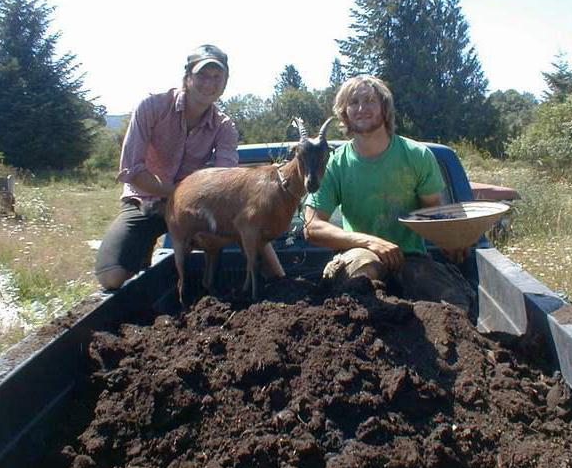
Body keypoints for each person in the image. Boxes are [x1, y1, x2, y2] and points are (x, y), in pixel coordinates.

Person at [96, 44, 284, 290]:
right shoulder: (152, 107)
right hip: (147, 203)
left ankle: (279, 281)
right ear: (187, 77)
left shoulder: (224, 127)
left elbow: (226, 183)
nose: (209, 83)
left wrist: (198, 203)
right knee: (111, 277)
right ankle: (141, 260)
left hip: (197, 210)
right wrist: (180, 193)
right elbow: (131, 171)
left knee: (248, 226)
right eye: (202, 75)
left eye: (217, 77)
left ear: (225, 82)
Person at [303, 75, 475, 315]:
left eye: (370, 101)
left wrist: (452, 239)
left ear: (385, 108)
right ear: (344, 113)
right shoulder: (335, 164)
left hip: (411, 257)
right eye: (353, 103)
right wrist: (371, 242)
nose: (361, 108)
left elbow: (436, 214)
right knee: (362, 274)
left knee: (454, 306)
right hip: (359, 254)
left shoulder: (416, 155)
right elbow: (312, 226)